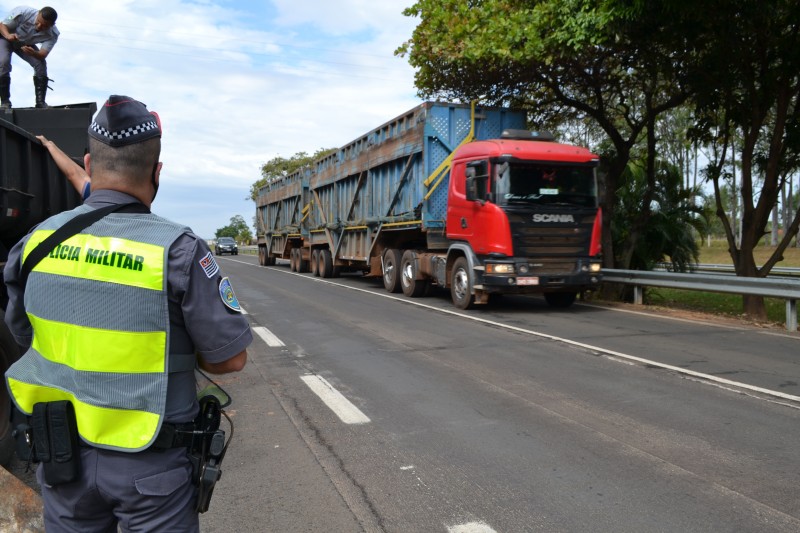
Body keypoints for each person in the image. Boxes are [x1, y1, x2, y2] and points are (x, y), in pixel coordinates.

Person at [4, 95, 252, 531]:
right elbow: (228, 359)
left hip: (61, 456)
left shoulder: (36, 242)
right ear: (157, 173)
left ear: (89, 162)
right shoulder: (178, 250)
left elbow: (25, 334)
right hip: (151, 468)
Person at [0, 6, 58, 109]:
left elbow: (42, 54)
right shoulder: (22, 12)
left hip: (25, 44)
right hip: (6, 38)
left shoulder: (53, 35)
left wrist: (34, 53)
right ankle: (5, 102)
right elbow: (2, 26)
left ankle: (40, 103)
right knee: (3, 62)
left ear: (52, 25)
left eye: (44, 26)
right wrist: (8, 35)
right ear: (38, 13)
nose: (39, 26)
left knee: (40, 64)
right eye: (38, 21)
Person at [37, 134, 92, 200]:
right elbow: (78, 174)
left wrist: (50, 145)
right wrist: (51, 145)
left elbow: (74, 173)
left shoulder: (94, 193)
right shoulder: (95, 192)